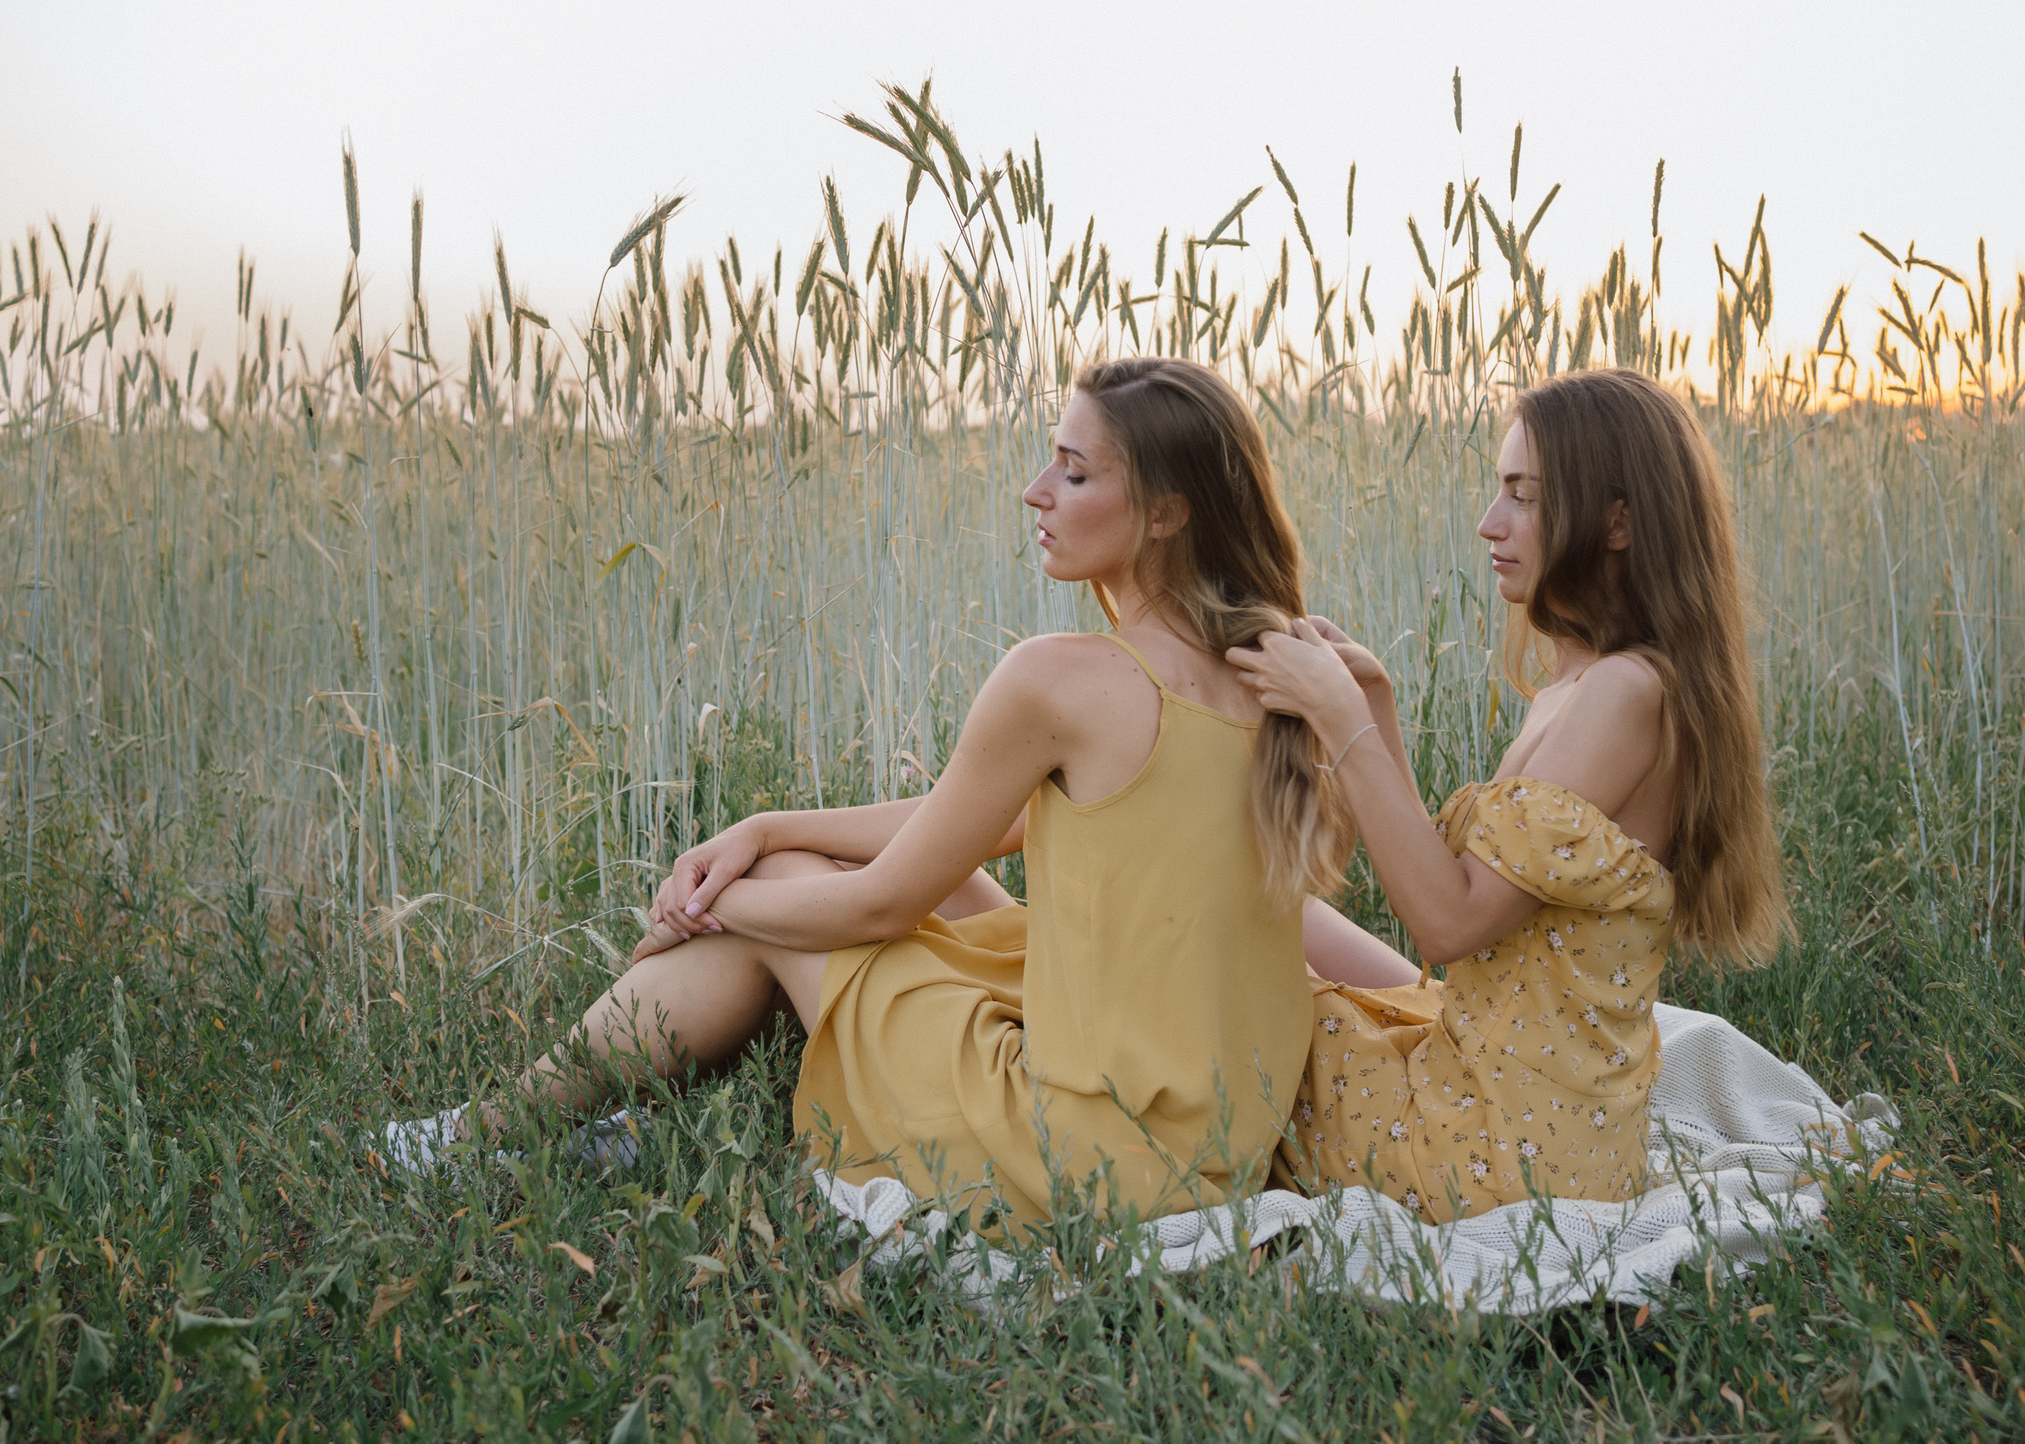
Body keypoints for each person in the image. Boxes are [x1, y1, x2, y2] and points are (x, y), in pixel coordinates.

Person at [382, 357, 1348, 1230]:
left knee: (798, 901)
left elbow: (881, 903)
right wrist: (767, 828)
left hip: (1070, 1158)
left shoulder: (1059, 678)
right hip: (1206, 1149)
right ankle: (629, 1111)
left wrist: (712, 906)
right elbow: (985, 822)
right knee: (847, 872)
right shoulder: (1278, 673)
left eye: (1075, 472)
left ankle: (483, 1130)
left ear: (1168, 514)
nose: (1035, 490)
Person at [1232, 366, 1790, 1220]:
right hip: (1524, 1110)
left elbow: (1447, 925)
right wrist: (1374, 704)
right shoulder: (1581, 686)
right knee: (1280, 916)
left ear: (1618, 522)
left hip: (1493, 1147)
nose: (1490, 522)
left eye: (1524, 497)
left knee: (1243, 991)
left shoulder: (1625, 695)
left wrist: (1339, 721)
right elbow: (1465, 897)